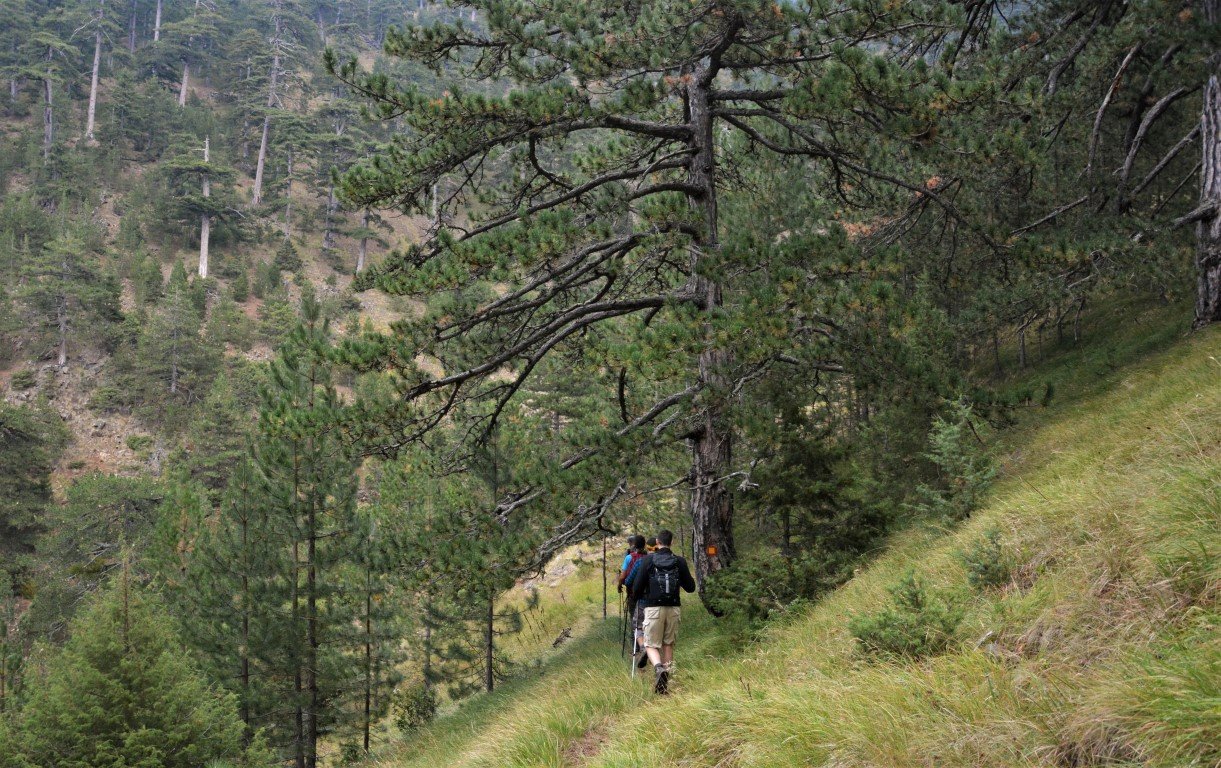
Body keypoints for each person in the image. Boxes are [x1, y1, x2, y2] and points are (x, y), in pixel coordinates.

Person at [628, 529, 695, 694]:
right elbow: (691, 587)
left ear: (657, 542)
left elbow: (636, 588)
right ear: (671, 542)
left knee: (650, 644)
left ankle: (658, 668)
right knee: (668, 644)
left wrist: (638, 597)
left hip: (653, 608)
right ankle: (665, 685)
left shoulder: (649, 560)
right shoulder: (679, 561)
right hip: (673, 608)